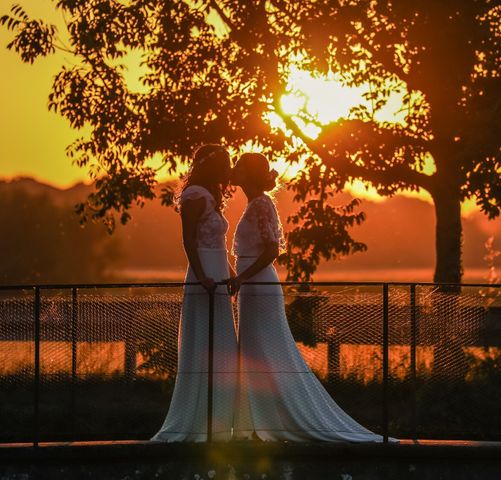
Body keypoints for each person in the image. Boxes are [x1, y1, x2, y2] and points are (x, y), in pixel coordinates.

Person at [227, 152, 385, 442]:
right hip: (251, 284)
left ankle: (270, 422)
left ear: (248, 174)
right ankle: (256, 421)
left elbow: (272, 249)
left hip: (257, 284)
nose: (232, 170)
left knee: (263, 349)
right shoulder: (255, 203)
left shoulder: (261, 203)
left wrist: (240, 278)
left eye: (238, 166)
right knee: (252, 350)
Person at [152, 144, 237, 442]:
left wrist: (231, 272)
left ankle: (220, 421)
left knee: (223, 343)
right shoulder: (194, 197)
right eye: (225, 164)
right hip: (204, 276)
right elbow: (189, 241)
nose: (229, 170)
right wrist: (203, 277)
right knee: (204, 340)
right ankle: (196, 421)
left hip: (218, 271)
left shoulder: (212, 197)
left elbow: (217, 244)